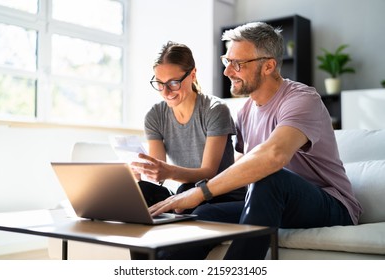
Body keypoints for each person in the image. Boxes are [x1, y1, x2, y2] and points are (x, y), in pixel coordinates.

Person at [149, 22, 363, 259]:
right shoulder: (246, 110)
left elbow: (273, 157)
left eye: (237, 64)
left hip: (329, 204)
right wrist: (192, 194)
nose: (227, 71)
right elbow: (241, 167)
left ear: (269, 66)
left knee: (268, 178)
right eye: (227, 61)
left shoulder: (302, 99)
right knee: (202, 215)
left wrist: (202, 192)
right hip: (272, 202)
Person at [131, 41, 247, 210]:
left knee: (190, 200)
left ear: (192, 75)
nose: (165, 92)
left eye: (173, 83)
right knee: (140, 193)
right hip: (187, 191)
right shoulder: (155, 116)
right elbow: (158, 175)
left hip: (221, 194)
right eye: (159, 83)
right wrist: (143, 172)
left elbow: (209, 173)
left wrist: (169, 172)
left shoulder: (215, 110)